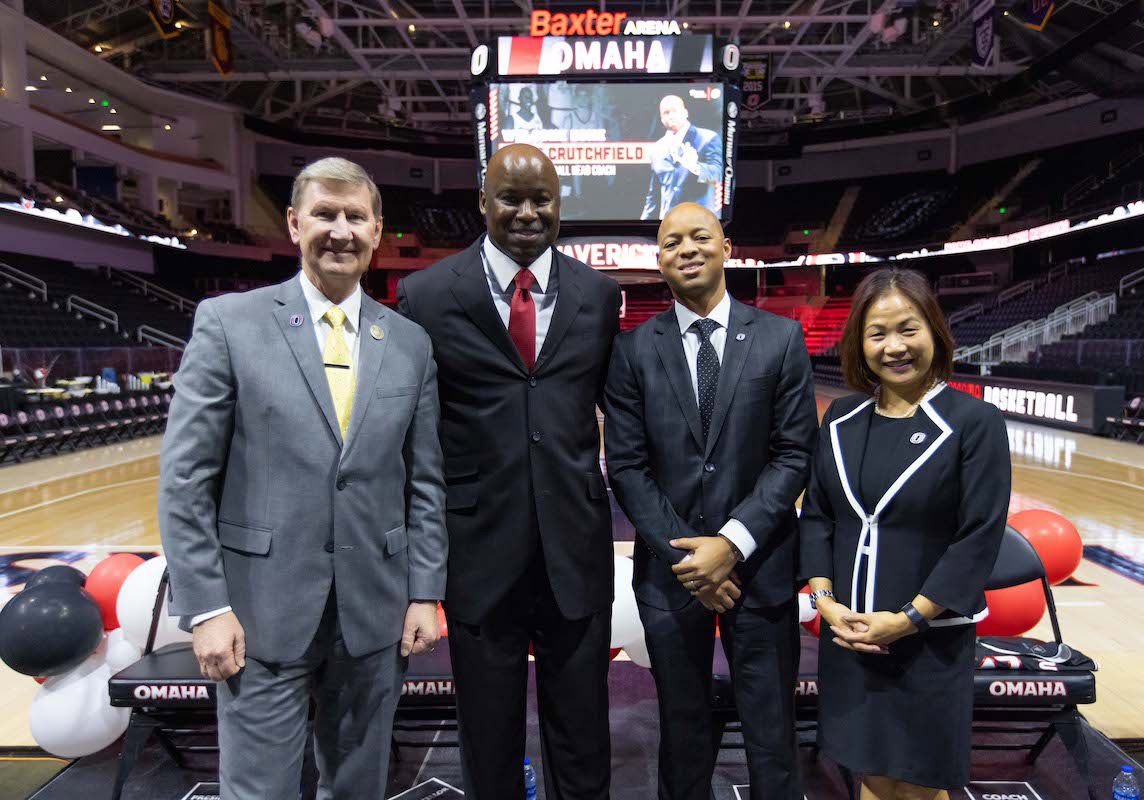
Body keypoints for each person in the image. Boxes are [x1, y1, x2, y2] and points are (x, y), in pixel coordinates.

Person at [158, 157, 447, 799]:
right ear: (294, 224)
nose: (339, 230)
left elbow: (424, 481)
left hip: (375, 612)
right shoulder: (229, 324)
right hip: (259, 612)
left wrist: (425, 590)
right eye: (324, 214)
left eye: (355, 217)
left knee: (358, 789)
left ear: (378, 231)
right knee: (258, 791)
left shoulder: (409, 343)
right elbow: (185, 479)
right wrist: (206, 606)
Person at [396, 143, 623, 800]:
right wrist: (420, 574)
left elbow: (624, 420)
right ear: (482, 202)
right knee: (488, 744)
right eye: (511, 198)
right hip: (476, 558)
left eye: (541, 199)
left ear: (559, 205)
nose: (527, 212)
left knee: (583, 740)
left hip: (575, 554)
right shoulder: (427, 295)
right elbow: (414, 443)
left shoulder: (600, 295)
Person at [604, 202, 818, 799]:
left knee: (771, 732)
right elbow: (625, 465)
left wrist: (731, 544)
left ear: (726, 247)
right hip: (673, 575)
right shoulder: (631, 351)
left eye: (700, 236)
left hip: (763, 567)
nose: (687, 249)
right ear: (660, 260)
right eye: (672, 242)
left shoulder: (780, 338)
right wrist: (692, 563)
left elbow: (794, 453)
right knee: (682, 727)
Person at [800, 268, 1011, 800]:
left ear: (934, 331)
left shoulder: (974, 421)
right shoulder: (842, 418)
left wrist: (909, 619)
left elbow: (978, 536)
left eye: (907, 329)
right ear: (859, 342)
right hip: (850, 635)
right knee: (872, 776)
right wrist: (825, 603)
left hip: (928, 642)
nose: (894, 346)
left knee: (917, 783)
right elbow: (820, 514)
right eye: (878, 333)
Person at [640, 96, 722, 221]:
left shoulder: (708, 138)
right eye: (666, 113)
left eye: (675, 110)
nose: (671, 115)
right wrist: (643, 223)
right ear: (661, 119)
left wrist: (696, 167)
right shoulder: (657, 148)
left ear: (685, 112)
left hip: (700, 221)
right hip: (669, 223)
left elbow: (718, 174)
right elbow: (654, 193)